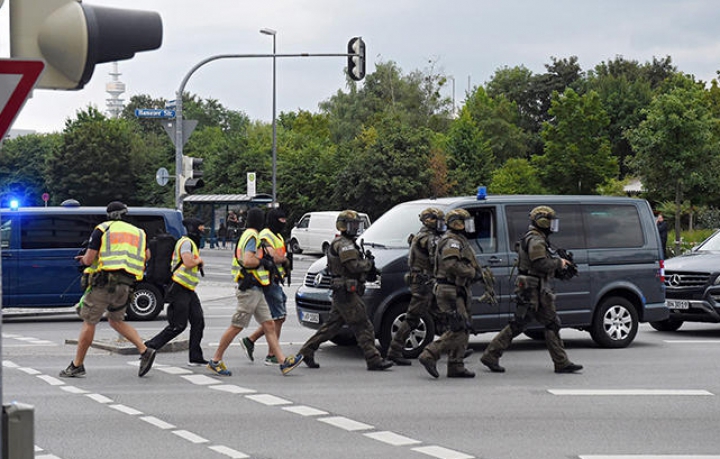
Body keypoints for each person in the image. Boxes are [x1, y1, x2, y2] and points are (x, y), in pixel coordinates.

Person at [480, 206, 583, 374]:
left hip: (538, 288)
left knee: (552, 323)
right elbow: (540, 264)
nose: (552, 226)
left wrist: (558, 266)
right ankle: (491, 355)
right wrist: (559, 263)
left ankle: (561, 362)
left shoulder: (538, 238)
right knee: (520, 322)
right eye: (550, 222)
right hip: (531, 288)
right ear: (542, 222)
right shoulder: (536, 240)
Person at [60, 201, 156, 378]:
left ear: (110, 215)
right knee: (116, 321)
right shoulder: (139, 233)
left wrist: (82, 260)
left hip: (104, 284)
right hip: (126, 285)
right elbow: (147, 256)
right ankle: (144, 350)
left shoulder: (102, 229)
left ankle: (77, 366)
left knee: (89, 321)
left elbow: (89, 260)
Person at [207, 207, 303, 376]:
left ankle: (283, 362)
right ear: (259, 221)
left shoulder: (250, 235)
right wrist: (263, 261)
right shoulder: (252, 236)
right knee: (237, 326)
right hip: (249, 288)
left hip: (256, 287)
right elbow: (248, 260)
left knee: (269, 325)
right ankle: (215, 360)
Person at [298, 210, 393, 371]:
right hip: (346, 292)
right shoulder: (344, 244)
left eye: (356, 225)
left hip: (344, 291)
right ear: (343, 226)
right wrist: (368, 264)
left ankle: (306, 351)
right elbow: (353, 266)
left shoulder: (348, 242)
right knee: (363, 325)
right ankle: (373, 359)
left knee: (331, 327)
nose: (355, 228)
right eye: (352, 225)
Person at [418, 208, 479, 379]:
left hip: (457, 289)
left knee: (464, 326)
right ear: (457, 223)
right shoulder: (452, 242)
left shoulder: (458, 240)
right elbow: (451, 264)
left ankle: (456, 365)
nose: (469, 226)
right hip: (450, 290)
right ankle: (429, 354)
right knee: (458, 327)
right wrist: (471, 272)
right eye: (466, 222)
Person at [386, 207, 445, 366]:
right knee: (413, 318)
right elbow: (437, 261)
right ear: (429, 221)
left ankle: (455, 347)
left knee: (442, 313)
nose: (442, 225)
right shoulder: (430, 239)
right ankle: (394, 351)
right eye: (438, 221)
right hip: (424, 283)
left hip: (422, 281)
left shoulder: (419, 236)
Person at [145, 218, 207, 366]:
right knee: (178, 325)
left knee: (198, 321)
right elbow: (188, 262)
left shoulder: (190, 243)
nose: (203, 229)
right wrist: (199, 261)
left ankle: (195, 357)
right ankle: (149, 347)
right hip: (179, 287)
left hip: (188, 289)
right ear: (193, 228)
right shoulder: (186, 242)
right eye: (201, 226)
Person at [239, 208, 291, 366]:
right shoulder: (265, 235)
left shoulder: (278, 235)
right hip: (268, 280)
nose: (283, 223)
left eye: (284, 220)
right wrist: (284, 259)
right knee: (277, 317)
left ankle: (251, 340)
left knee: (275, 318)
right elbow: (274, 256)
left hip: (274, 279)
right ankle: (271, 355)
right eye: (280, 220)